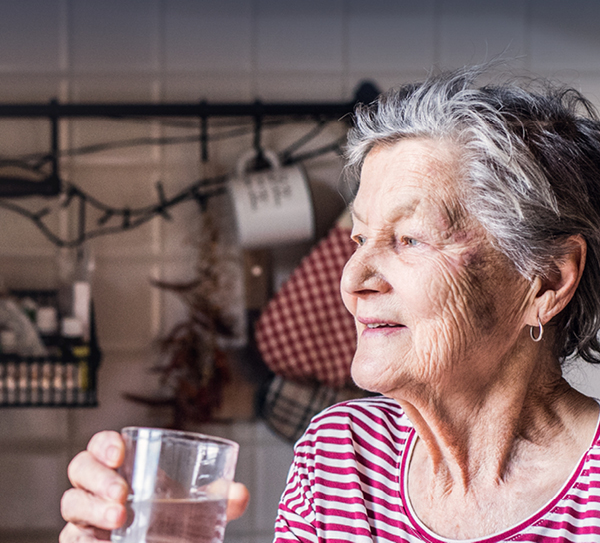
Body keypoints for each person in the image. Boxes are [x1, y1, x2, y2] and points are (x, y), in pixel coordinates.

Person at [61, 68, 600, 542]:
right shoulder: (340, 456)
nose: (352, 280)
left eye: (410, 239)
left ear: (546, 280)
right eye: (359, 240)